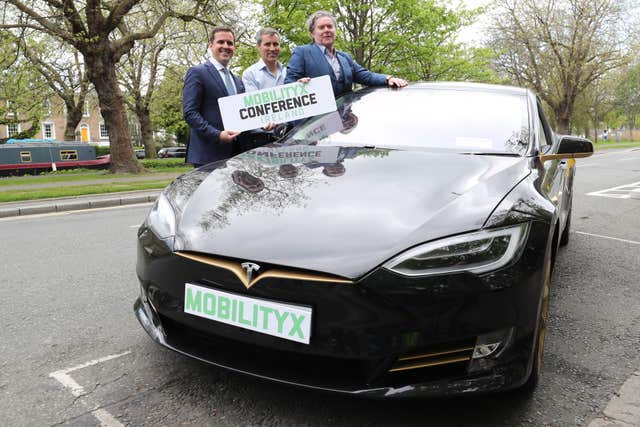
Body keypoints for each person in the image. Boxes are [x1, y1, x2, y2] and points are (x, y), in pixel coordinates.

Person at [284, 10, 407, 96]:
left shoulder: (345, 57)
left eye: (330, 26)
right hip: (315, 126)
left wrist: (387, 79)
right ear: (312, 33)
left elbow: (365, 75)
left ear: (335, 30)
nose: (327, 30)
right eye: (321, 27)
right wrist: (297, 86)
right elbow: (289, 84)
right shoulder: (302, 53)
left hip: (343, 121)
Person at [183, 26, 244, 167]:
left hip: (235, 156)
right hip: (207, 156)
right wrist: (217, 134)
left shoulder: (238, 81)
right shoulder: (197, 73)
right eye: (221, 42)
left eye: (230, 43)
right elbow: (190, 113)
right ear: (210, 45)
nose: (226, 46)